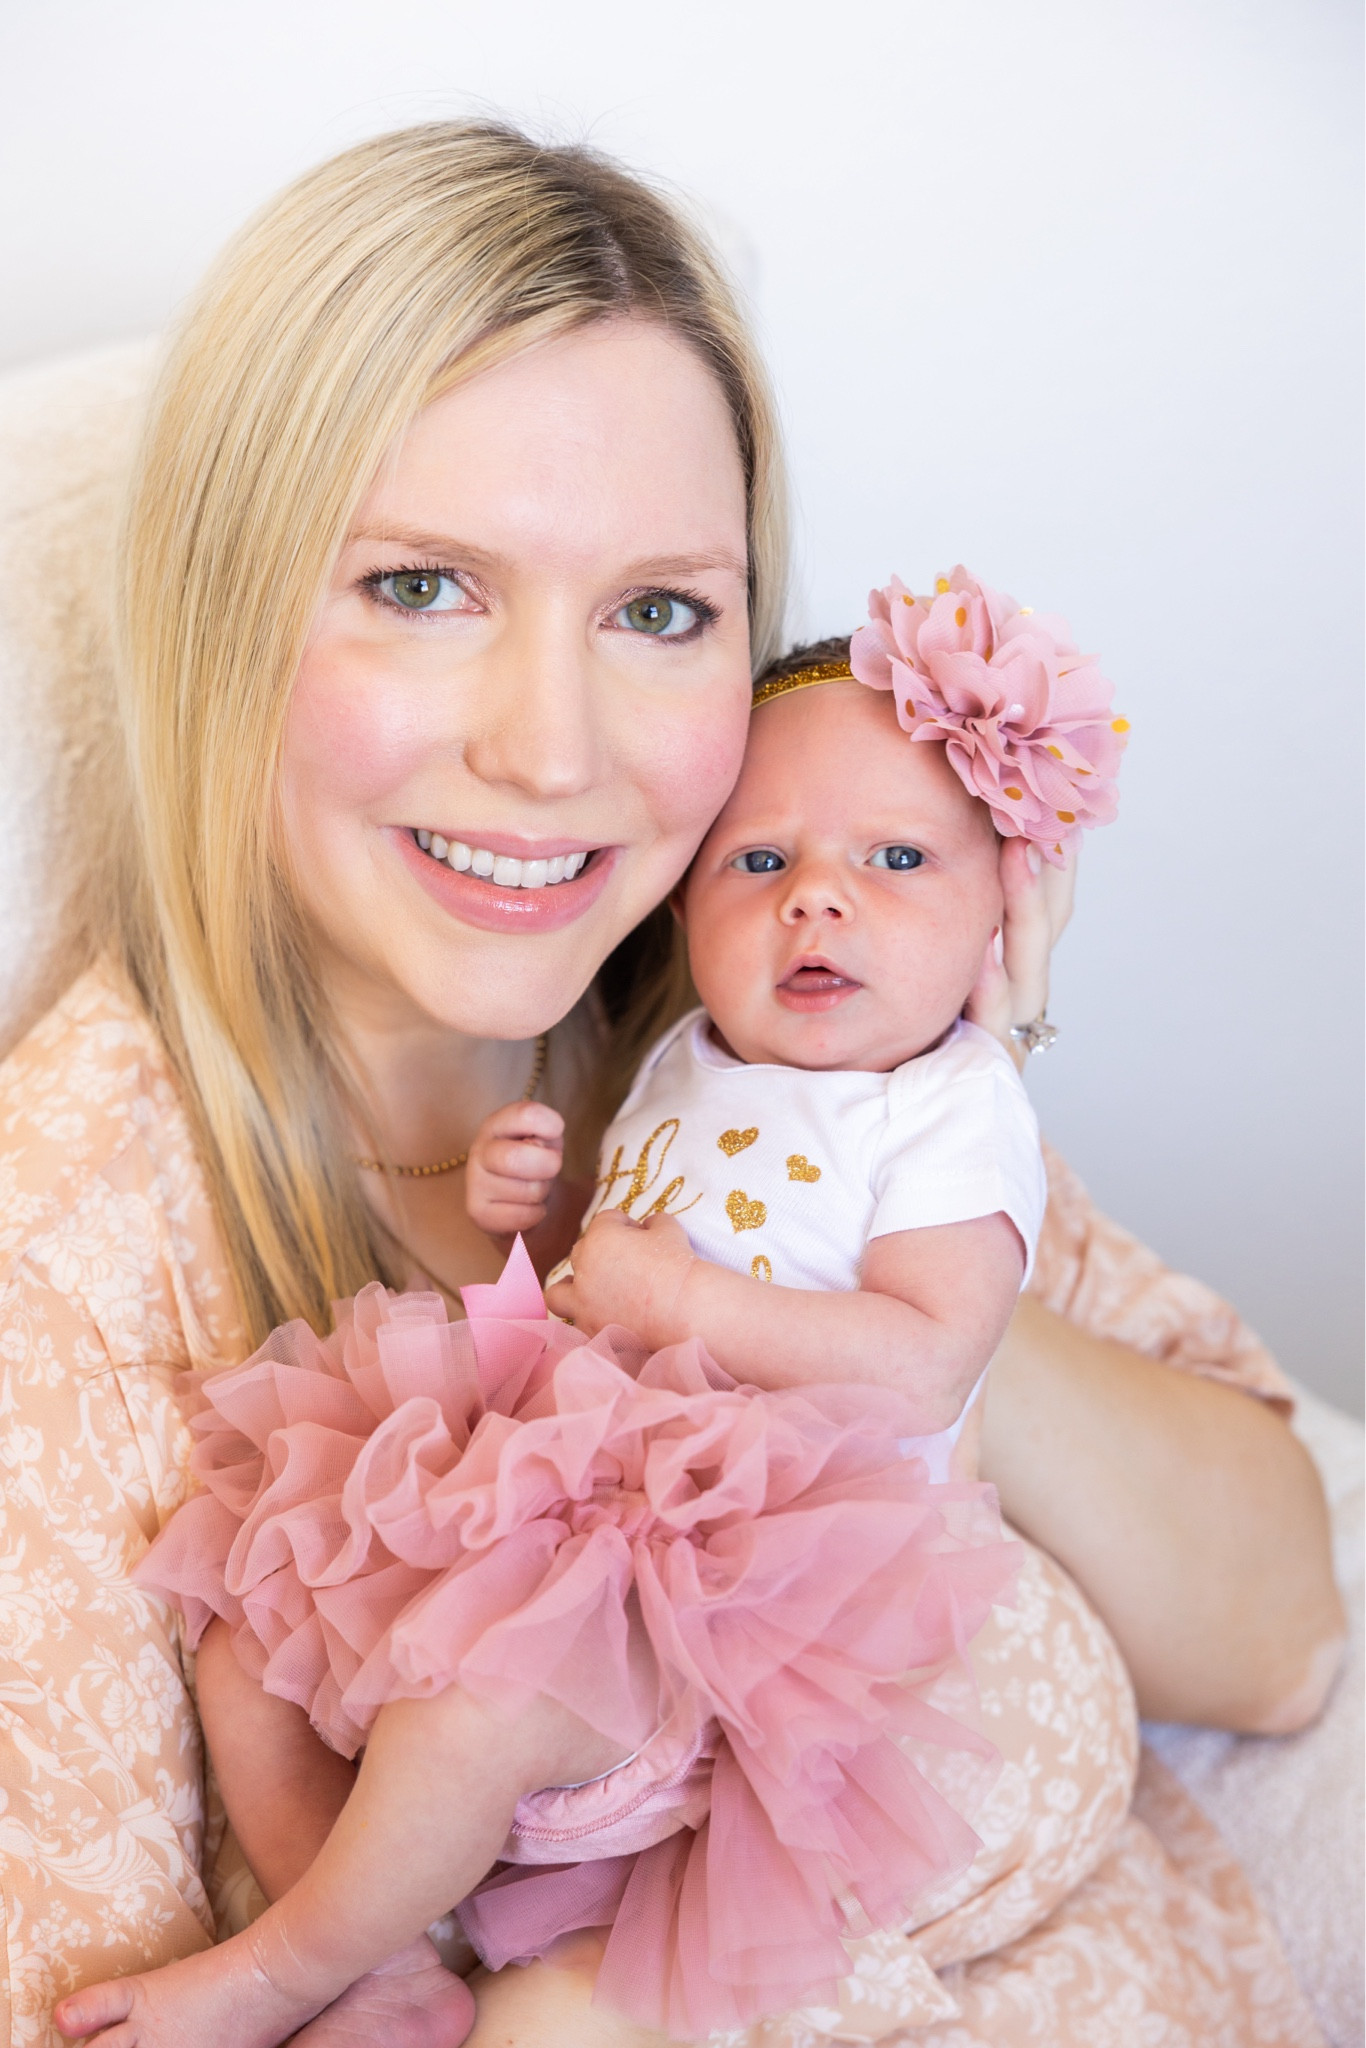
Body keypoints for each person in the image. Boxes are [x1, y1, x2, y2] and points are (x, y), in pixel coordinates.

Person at [0, 119, 1341, 2048]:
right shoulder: (71, 1291)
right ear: (221, 613)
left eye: (656, 612)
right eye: (423, 586)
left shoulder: (743, 1030)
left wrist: (888, 1165)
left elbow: (1282, 1629)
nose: (555, 751)